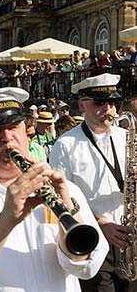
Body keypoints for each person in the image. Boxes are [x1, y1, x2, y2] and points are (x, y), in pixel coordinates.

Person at [0, 87, 108, 292]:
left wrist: (68, 209)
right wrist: (7, 217)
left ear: (26, 134)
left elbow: (87, 267)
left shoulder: (66, 190)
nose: (7, 138)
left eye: (14, 127)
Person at [50, 73, 137, 291]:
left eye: (112, 102)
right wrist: (101, 224)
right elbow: (61, 199)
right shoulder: (66, 144)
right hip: (94, 238)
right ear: (82, 105)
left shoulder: (126, 136)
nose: (108, 108)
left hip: (130, 237)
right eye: (100, 102)